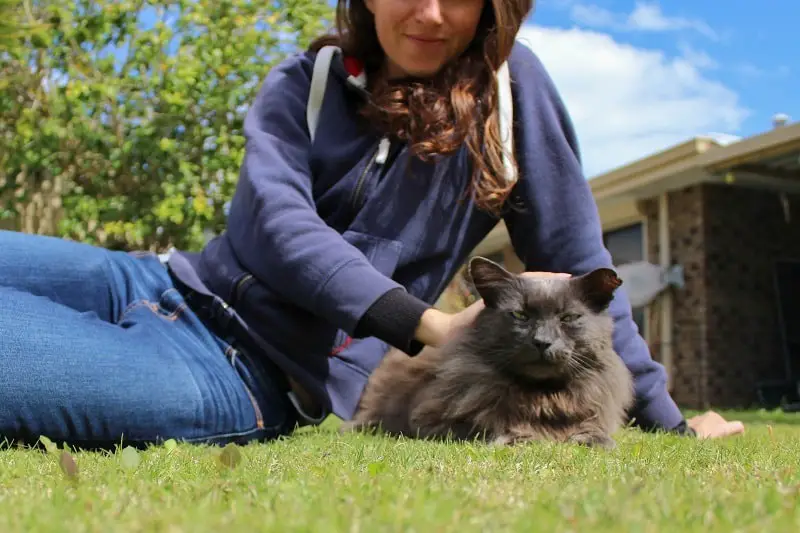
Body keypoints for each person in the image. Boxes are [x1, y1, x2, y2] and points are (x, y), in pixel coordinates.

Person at [0, 0, 744, 449]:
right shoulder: (306, 81)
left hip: (241, 372)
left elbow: (582, 268)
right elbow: (274, 224)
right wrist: (425, 322)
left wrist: (670, 423)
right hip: (151, 277)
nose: (429, 13)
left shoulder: (513, 99)